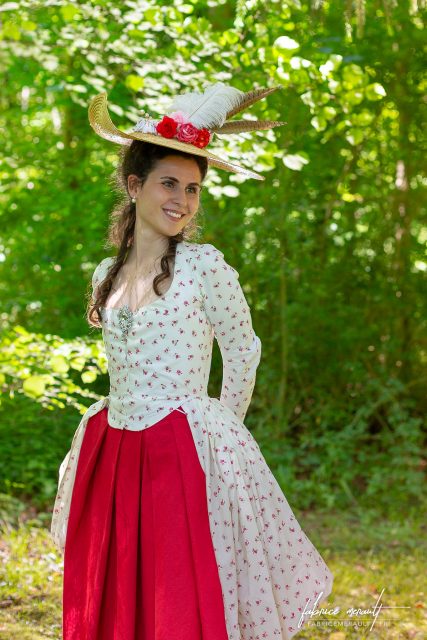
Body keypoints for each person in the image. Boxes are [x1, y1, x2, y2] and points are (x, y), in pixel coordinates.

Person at [51, 81, 333, 640]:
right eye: (169, 183)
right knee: (119, 584)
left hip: (182, 445)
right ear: (135, 186)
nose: (182, 199)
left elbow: (243, 350)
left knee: (178, 584)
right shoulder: (104, 276)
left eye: (194, 188)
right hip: (114, 444)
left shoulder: (205, 267)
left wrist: (220, 429)